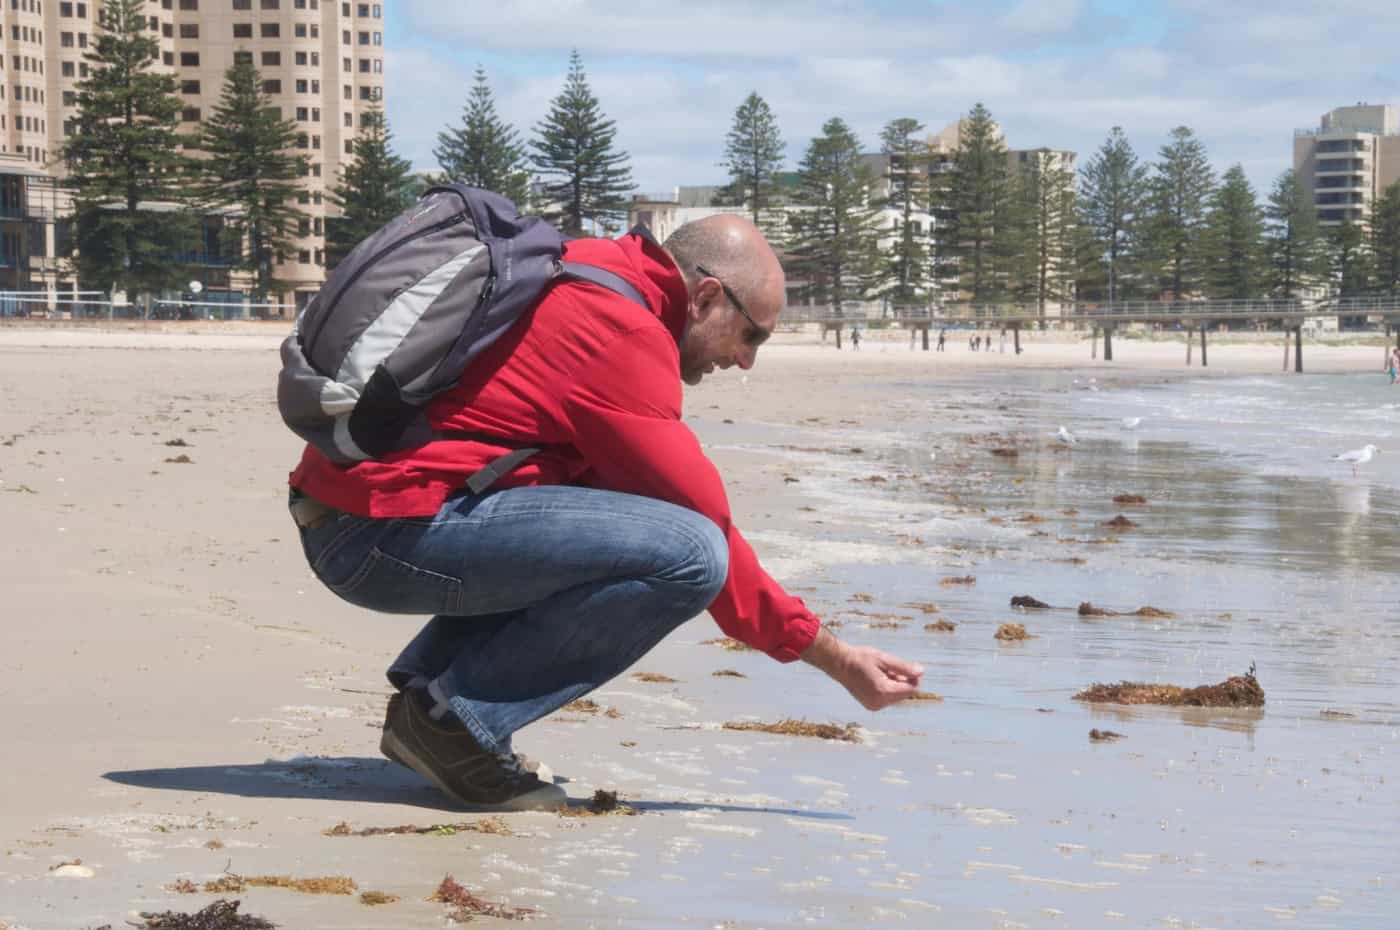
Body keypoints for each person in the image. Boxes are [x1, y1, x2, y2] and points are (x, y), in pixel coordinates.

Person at [286, 216, 924, 810]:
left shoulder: (586, 268)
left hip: (356, 518)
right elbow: (711, 533)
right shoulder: (619, 331)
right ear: (704, 299)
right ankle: (450, 723)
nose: (746, 359)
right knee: (690, 554)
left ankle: (435, 692)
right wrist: (837, 659)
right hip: (374, 538)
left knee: (628, 523)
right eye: (751, 333)